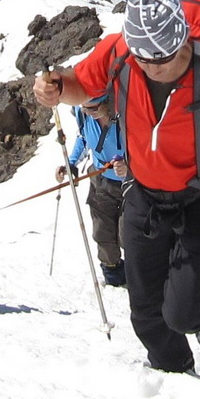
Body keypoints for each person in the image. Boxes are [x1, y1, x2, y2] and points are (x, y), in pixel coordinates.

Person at [34, 0, 200, 374]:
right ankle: (177, 378)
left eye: (162, 57)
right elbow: (82, 85)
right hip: (145, 194)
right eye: (143, 57)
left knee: (183, 317)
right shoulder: (122, 53)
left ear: (183, 40)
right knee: (144, 314)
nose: (151, 67)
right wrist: (56, 88)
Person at [59, 92, 130, 286]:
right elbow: (84, 138)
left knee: (129, 235)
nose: (88, 113)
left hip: (131, 184)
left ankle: (138, 271)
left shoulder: (127, 113)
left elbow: (146, 147)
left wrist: (129, 166)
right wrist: (71, 163)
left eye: (93, 108)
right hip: (100, 179)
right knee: (103, 232)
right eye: (83, 108)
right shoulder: (83, 114)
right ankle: (112, 271)